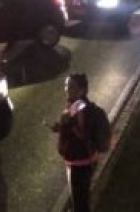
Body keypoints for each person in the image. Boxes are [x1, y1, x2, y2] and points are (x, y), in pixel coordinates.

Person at [49, 73, 105, 212]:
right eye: (66, 85)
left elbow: (84, 135)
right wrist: (60, 126)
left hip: (79, 164)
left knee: (80, 203)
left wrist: (70, 123)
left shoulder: (79, 108)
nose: (67, 89)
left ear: (83, 90)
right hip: (82, 161)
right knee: (81, 198)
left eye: (72, 86)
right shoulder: (77, 104)